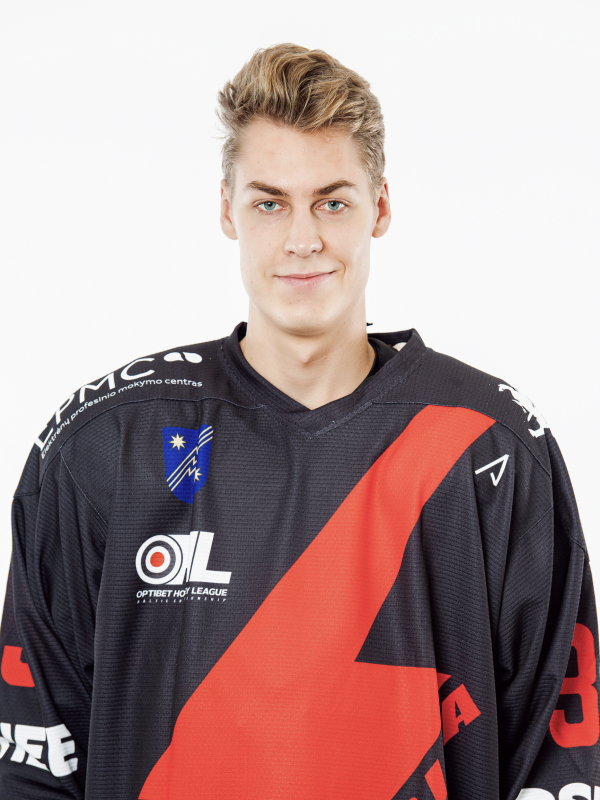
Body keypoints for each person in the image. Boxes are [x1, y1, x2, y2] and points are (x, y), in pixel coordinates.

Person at [0, 42, 598, 800]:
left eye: (333, 202)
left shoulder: (491, 446)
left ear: (381, 206)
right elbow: (33, 753)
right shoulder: (104, 445)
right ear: (228, 209)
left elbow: (561, 755)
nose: (302, 239)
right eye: (270, 202)